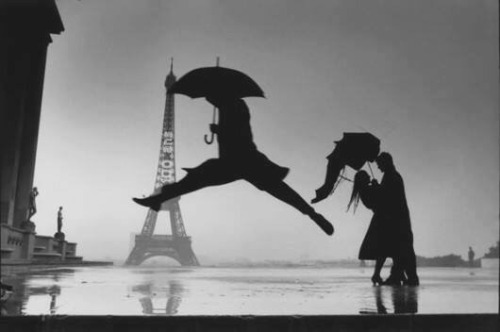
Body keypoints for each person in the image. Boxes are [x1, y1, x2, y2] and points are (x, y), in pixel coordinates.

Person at [134, 95, 334, 236]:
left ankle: (158, 199)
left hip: (241, 161)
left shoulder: (233, 107)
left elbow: (240, 135)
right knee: (280, 190)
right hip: (241, 161)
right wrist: (220, 129)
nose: (207, 99)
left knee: (195, 180)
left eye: (210, 95)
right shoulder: (230, 106)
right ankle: (312, 214)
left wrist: (219, 130)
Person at [375, 152, 419, 286]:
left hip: (397, 220)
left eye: (379, 164)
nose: (378, 168)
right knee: (402, 249)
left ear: (385, 163)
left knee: (401, 249)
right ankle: (402, 276)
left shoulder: (391, 177)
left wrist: (377, 188)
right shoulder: (393, 176)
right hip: (400, 219)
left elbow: (387, 198)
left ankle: (402, 277)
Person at [348, 170, 394, 285]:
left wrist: (376, 187)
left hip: (380, 220)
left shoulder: (364, 190)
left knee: (384, 250)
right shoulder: (366, 190)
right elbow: (380, 199)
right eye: (367, 176)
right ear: (363, 179)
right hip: (382, 221)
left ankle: (378, 274)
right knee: (386, 249)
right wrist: (377, 186)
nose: (369, 176)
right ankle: (378, 274)